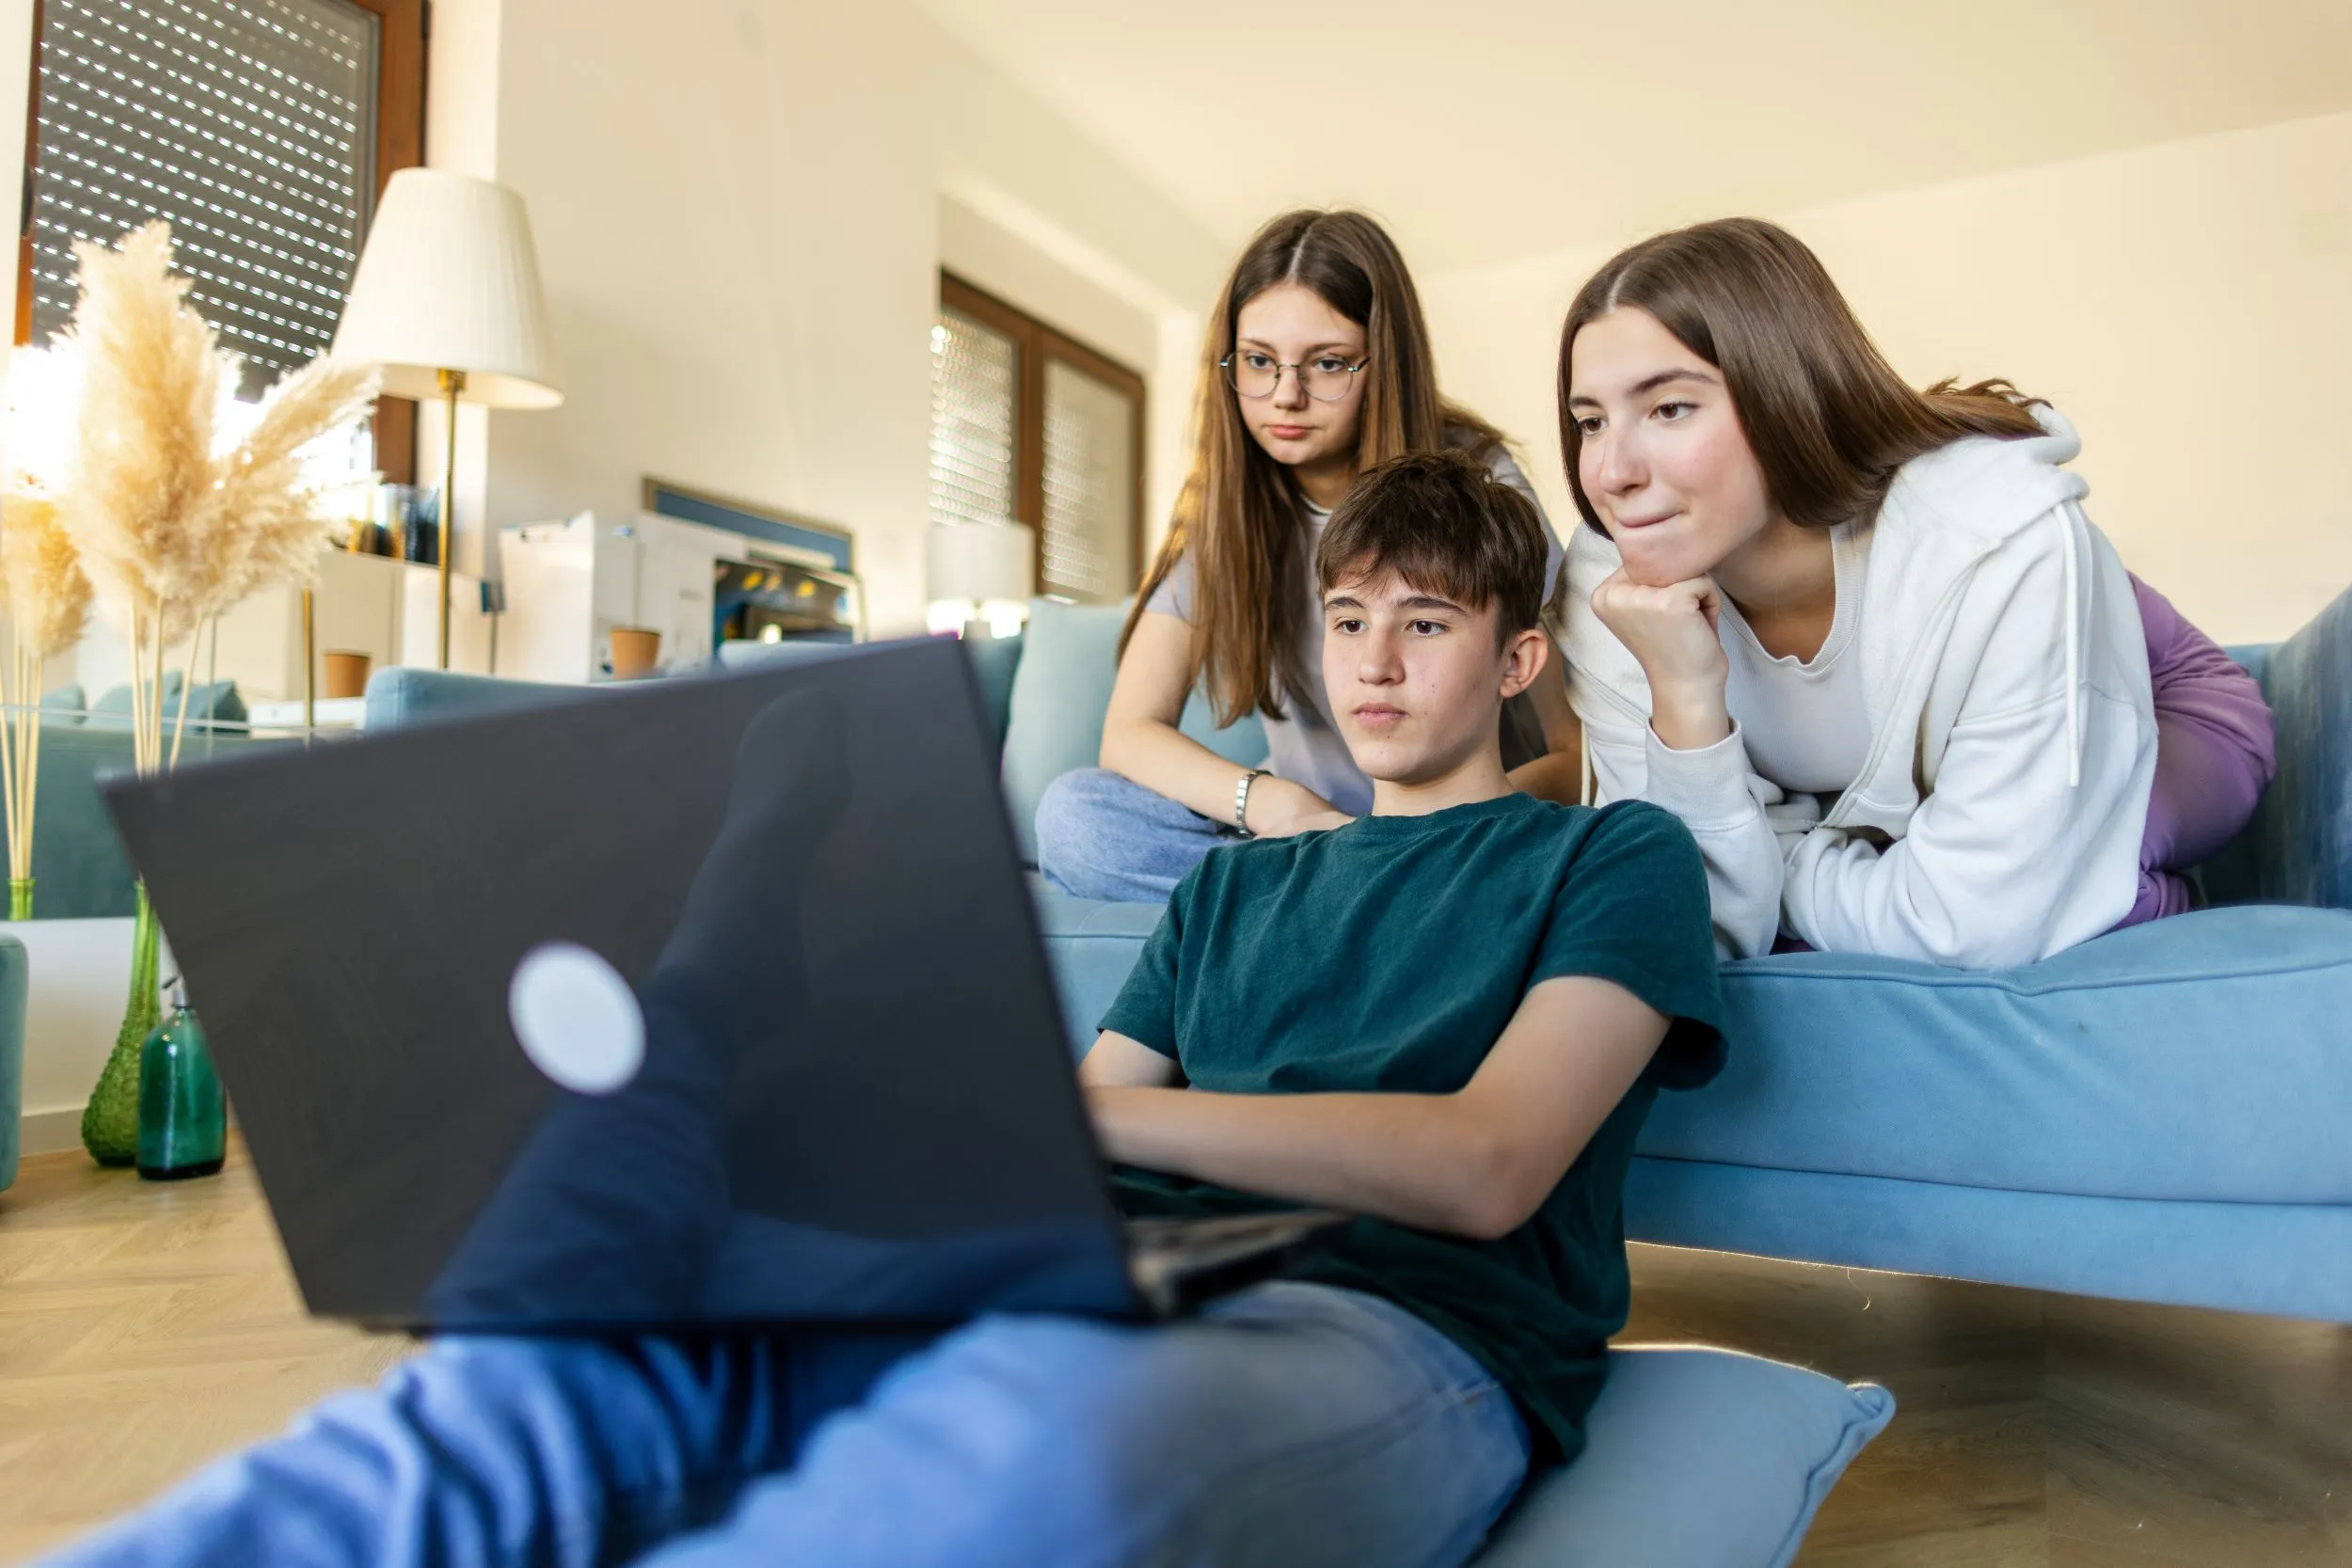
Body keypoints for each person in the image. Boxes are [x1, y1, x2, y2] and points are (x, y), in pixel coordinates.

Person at [46, 451, 1724, 1568]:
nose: (1369, 662)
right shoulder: (1230, 885)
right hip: (1086, 1268)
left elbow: (1490, 1164)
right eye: (1348, 620)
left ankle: (727, 957)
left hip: (1394, 1324)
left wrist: (1090, 1117)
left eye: (1423, 624)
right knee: (556, 1376)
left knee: (1036, 1456)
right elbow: (1051, 1124)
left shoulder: (1609, 861)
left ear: (1516, 663)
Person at [1556, 217, 2275, 968]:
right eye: (1590, 422)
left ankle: (2132, 893)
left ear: (1784, 392)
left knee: (2059, 898)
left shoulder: (1989, 533)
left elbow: (1976, 923)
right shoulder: (1612, 582)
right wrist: (1684, 696)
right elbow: (1686, 917)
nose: (1611, 473)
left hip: (2159, 707)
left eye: (1670, 408)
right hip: (1881, 800)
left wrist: (1778, 870)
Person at [1037, 208, 1584, 902]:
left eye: (1327, 364)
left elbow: (1575, 755)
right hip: (1309, 834)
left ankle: (1343, 896)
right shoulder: (1225, 513)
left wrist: (1423, 833)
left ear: (1383, 361)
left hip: (1456, 833)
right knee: (1075, 818)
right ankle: (1350, 895)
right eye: (1260, 362)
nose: (1285, 396)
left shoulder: (1478, 482)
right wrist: (1272, 805)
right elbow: (1129, 732)